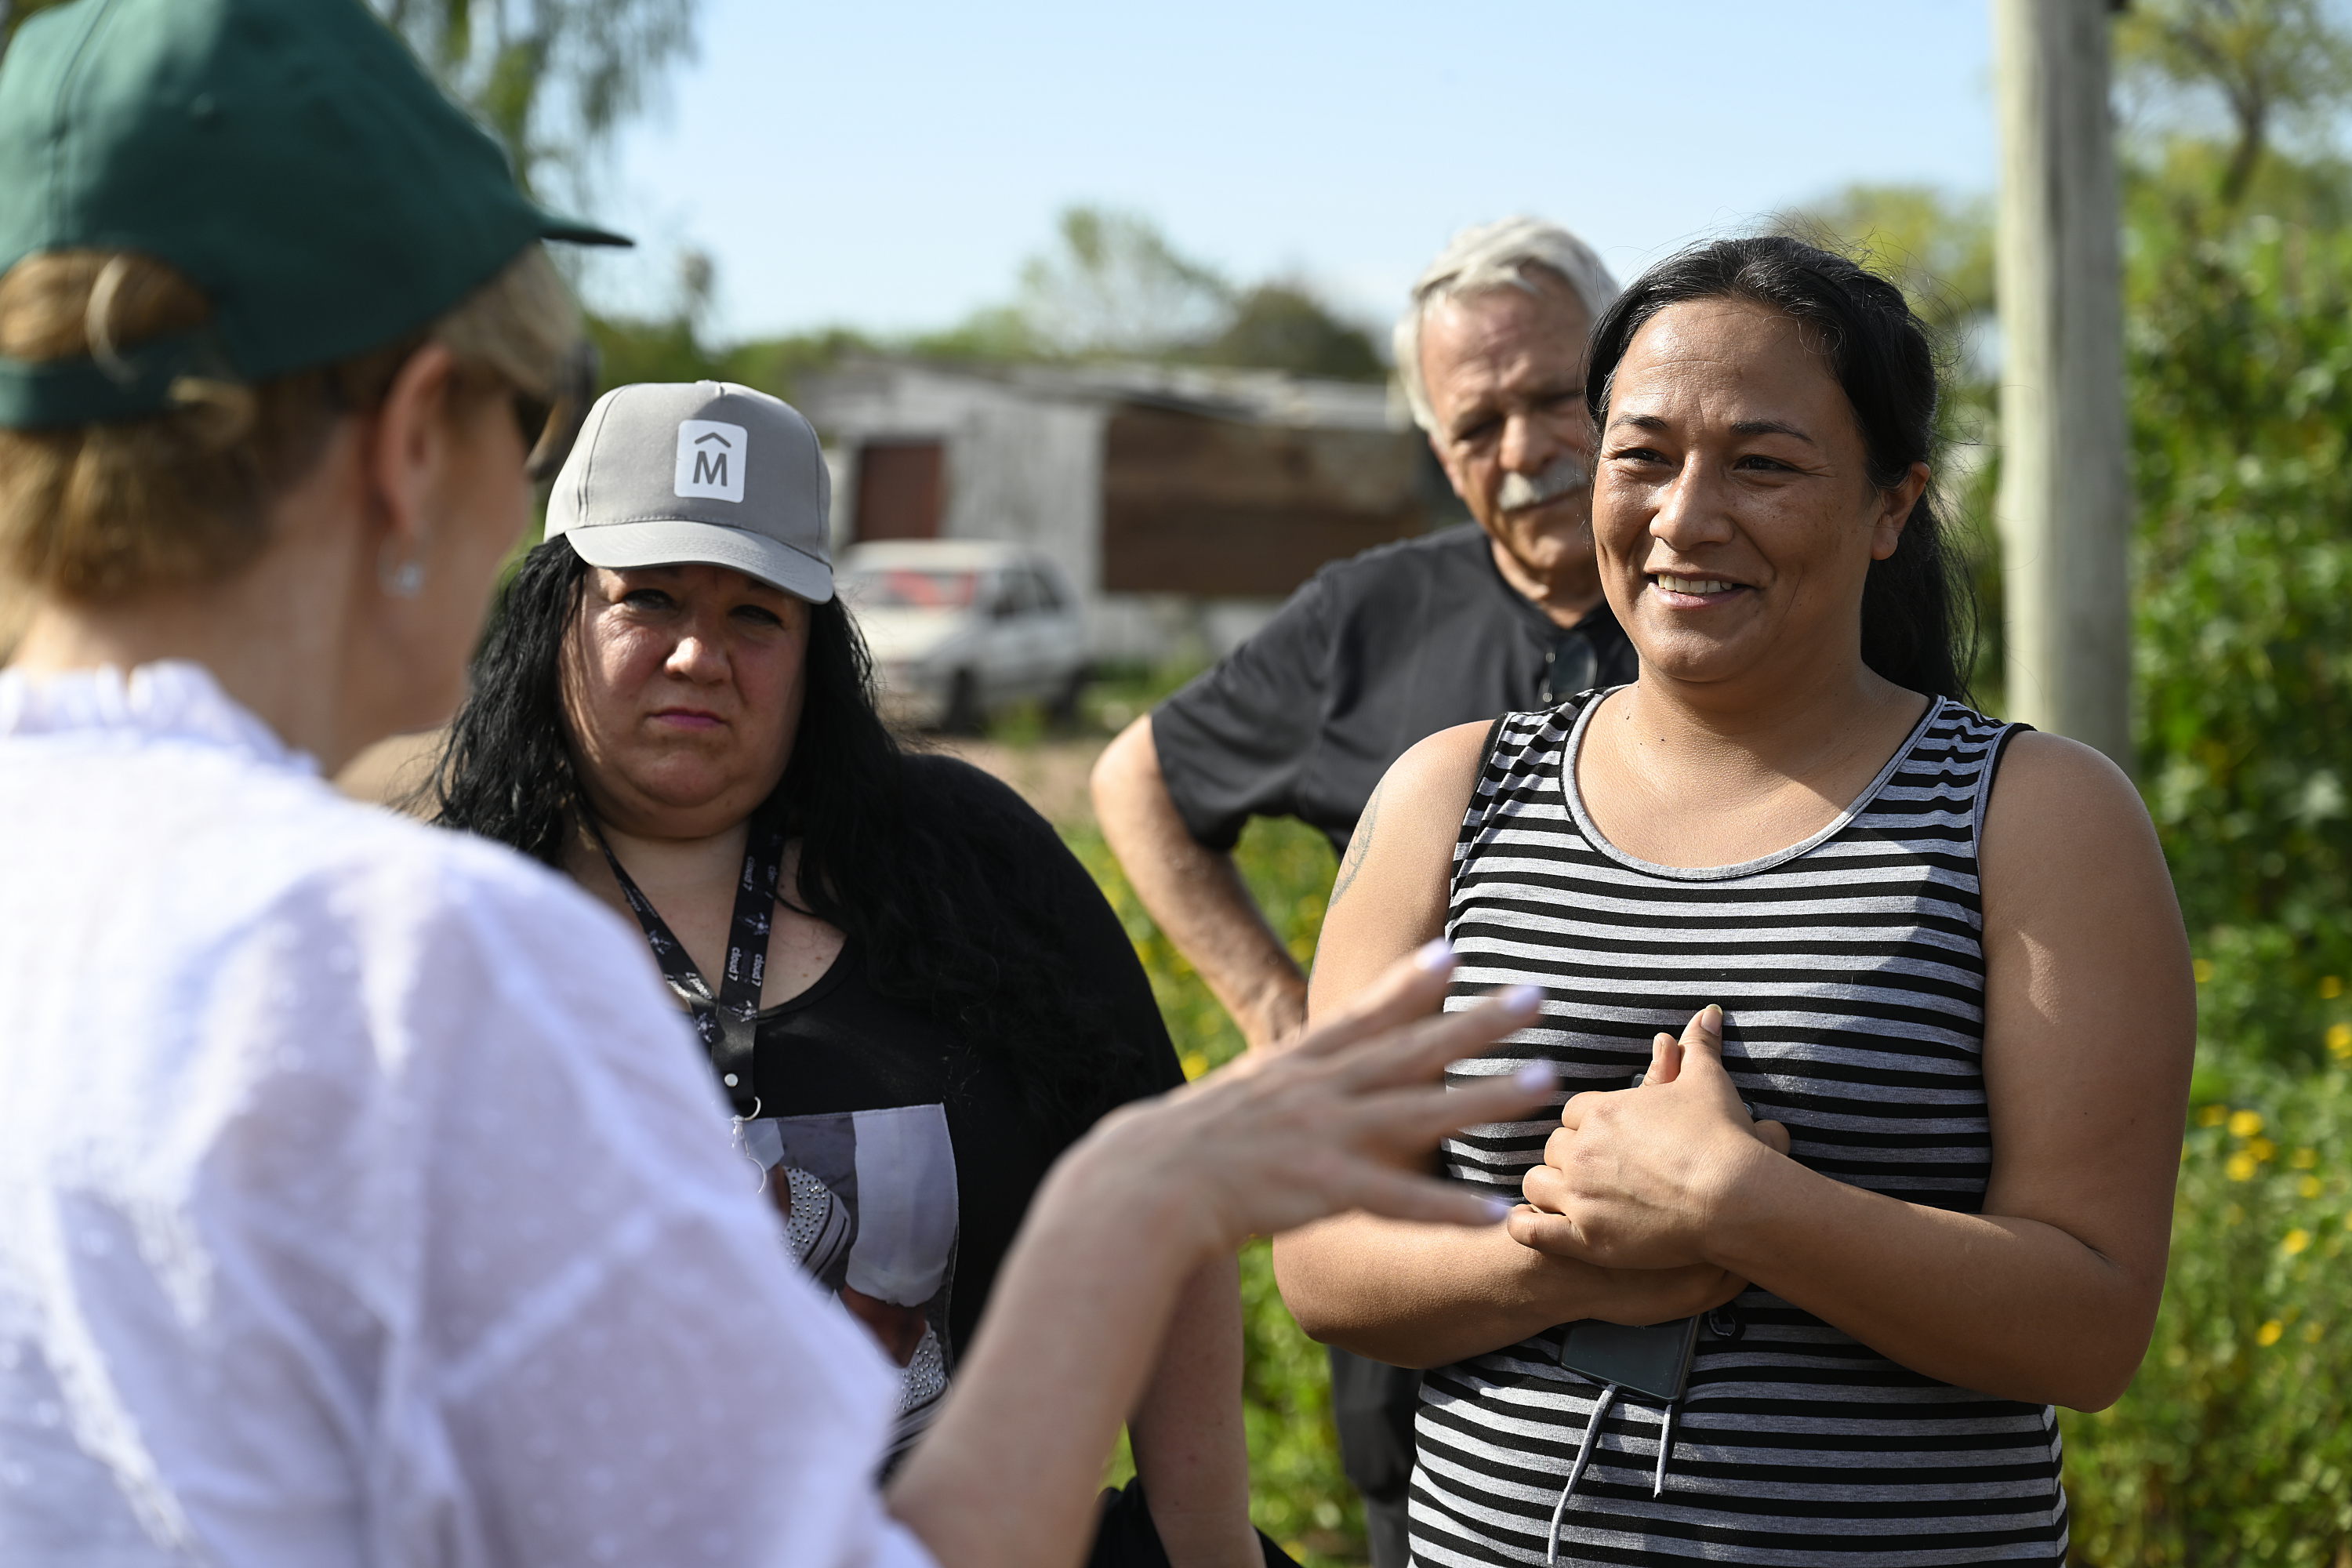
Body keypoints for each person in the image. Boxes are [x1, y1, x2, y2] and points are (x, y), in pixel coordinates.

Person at [0, 2, 1566, 1566]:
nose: (697, 652)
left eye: (754, 612)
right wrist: (1135, 1205)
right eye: (513, 426)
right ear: (415, 440)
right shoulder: (431, 953)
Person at [1271, 236, 2196, 1565]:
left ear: (1891, 508)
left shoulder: (2038, 816)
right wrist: (1574, 1258)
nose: (1685, 518)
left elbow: (2092, 1322)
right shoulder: (1449, 795)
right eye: (1642, 455)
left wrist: (1743, 1208)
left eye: (1763, 465)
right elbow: (1322, 1256)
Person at [428, 379, 1263, 1563]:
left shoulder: (969, 865)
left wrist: (1205, 1548)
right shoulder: (448, 924)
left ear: (816, 649)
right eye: (647, 598)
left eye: (755, 615)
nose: (696, 653)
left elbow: (1168, 1208)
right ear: (557, 614)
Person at [1091, 216, 1637, 1568]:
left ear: (1626, 378)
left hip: (1722, 1262)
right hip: (1426, 1273)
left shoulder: (1717, 591)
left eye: (1557, 397)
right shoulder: (1369, 619)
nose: (1523, 454)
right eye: (1476, 424)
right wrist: (1284, 1019)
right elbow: (1135, 780)